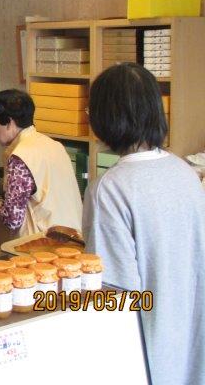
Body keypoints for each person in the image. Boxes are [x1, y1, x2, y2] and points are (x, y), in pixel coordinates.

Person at [83, 63, 204, 385]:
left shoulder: (109, 188)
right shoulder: (186, 172)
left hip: (147, 358)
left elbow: (114, 294)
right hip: (191, 350)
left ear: (104, 118)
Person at [0, 89, 82, 236]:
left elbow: (12, 219)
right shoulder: (55, 146)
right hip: (74, 238)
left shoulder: (20, 157)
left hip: (42, 243)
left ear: (9, 122)